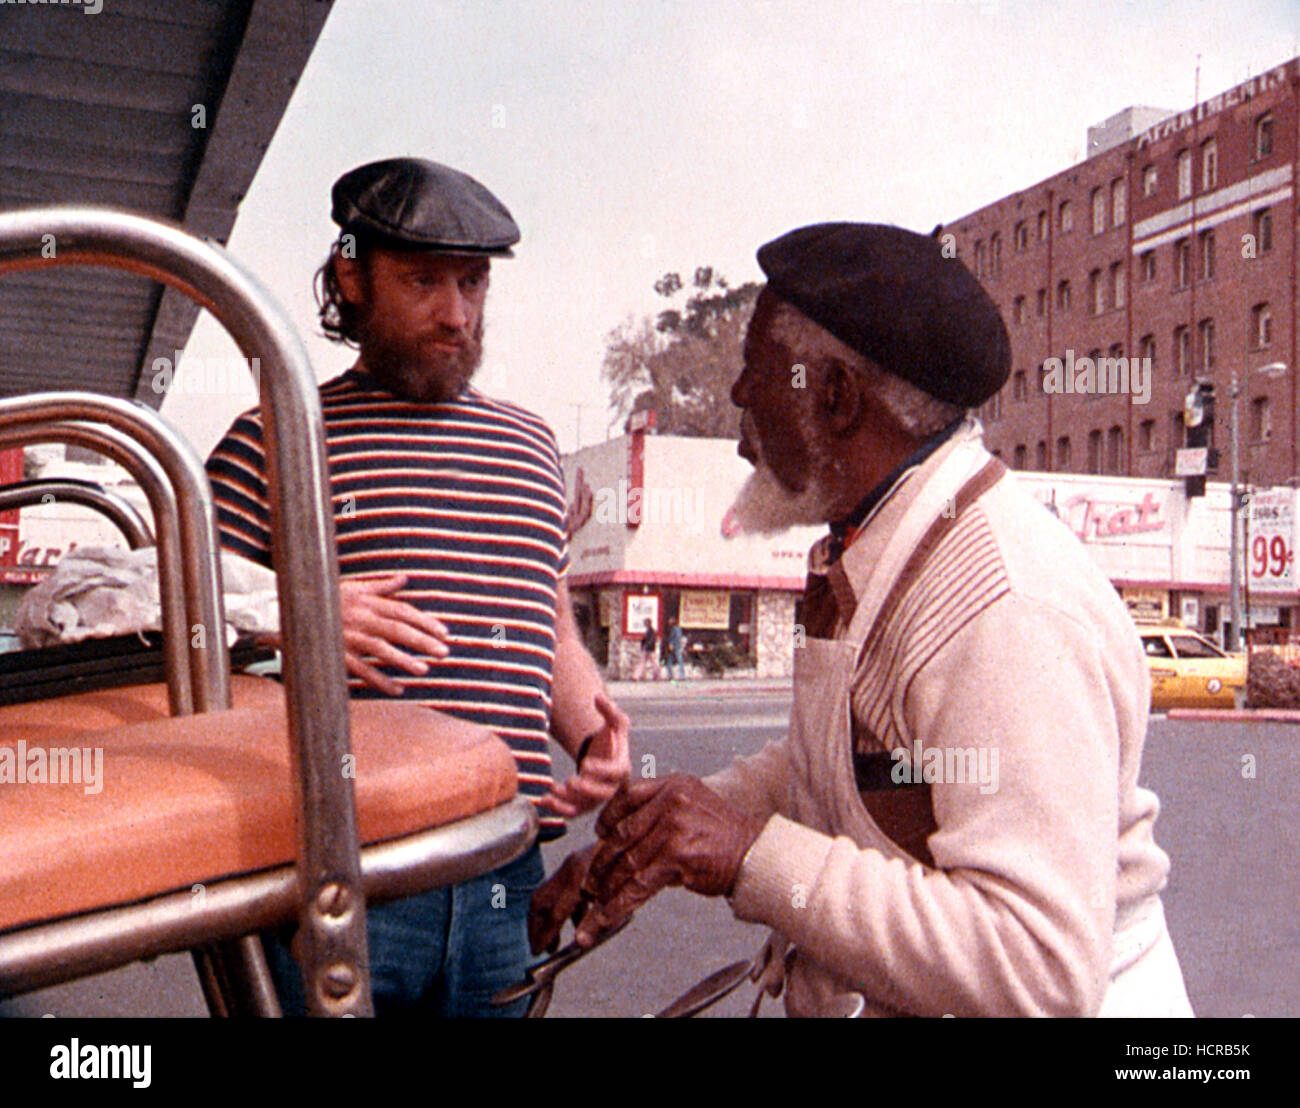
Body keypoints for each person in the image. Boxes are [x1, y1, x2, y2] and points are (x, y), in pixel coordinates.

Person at [531, 222, 1195, 1017]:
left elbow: (1037, 965)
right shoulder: (889, 534)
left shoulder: (1004, 606)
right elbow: (873, 763)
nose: (738, 398)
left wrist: (747, 854)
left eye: (755, 372)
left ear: (837, 397)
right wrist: (669, 829)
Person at [206, 157, 630, 1017]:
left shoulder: (531, 446)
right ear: (353, 277)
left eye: (473, 284)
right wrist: (296, 622)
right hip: (344, 877)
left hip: (505, 871)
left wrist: (593, 736)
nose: (456, 314)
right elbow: (169, 621)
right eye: (423, 281)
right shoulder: (272, 437)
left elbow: (544, 625)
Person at [665, 617, 686, 681]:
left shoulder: (675, 629)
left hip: (675, 646)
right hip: (676, 646)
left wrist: (671, 645)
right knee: (672, 660)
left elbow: (676, 638)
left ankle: (678, 676)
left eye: (670, 620)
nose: (669, 622)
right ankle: (671, 675)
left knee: (677, 660)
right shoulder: (676, 628)